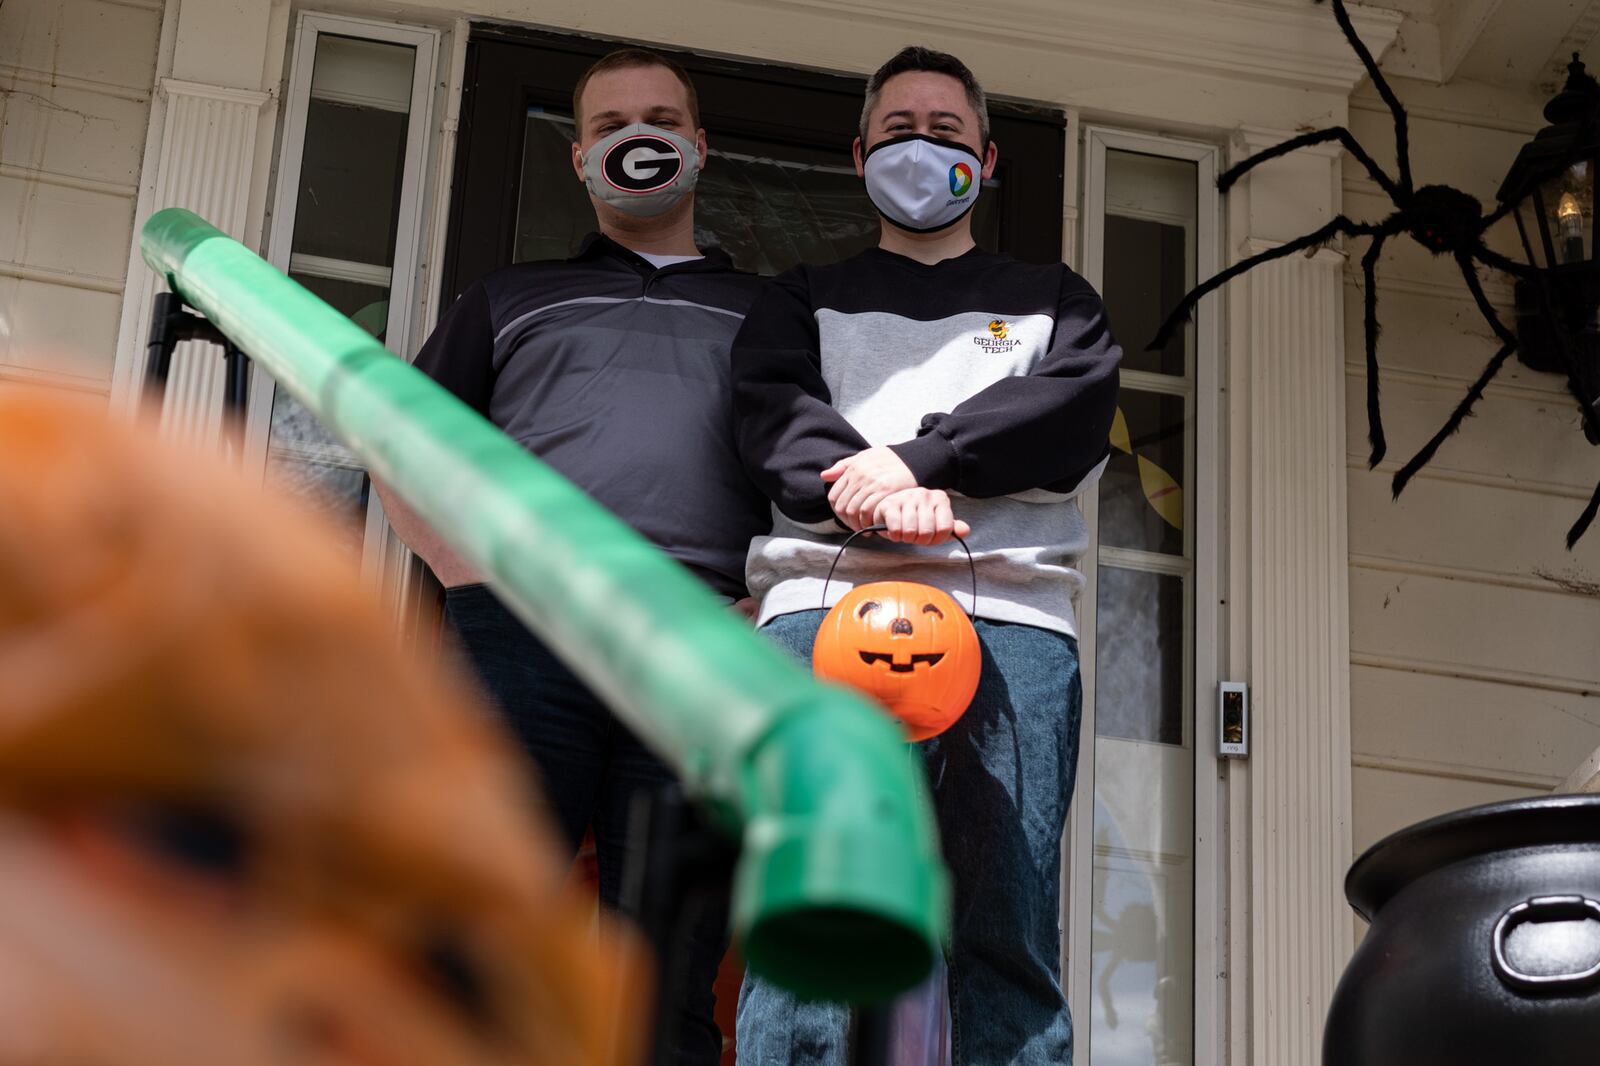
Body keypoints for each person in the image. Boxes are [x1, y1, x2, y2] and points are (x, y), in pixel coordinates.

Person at [377, 47, 769, 1066]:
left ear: (699, 145)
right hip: (523, 629)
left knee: (666, 975)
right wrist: (469, 578)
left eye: (661, 118)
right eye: (610, 125)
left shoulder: (774, 317)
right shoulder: (508, 296)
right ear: (579, 157)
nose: (638, 138)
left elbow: (807, 472)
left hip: (696, 648)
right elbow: (396, 441)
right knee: (474, 944)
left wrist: (761, 605)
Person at [730, 45, 1121, 1066]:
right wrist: (872, 501)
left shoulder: (1054, 301)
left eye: (944, 133)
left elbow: (1064, 416)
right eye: (898, 130)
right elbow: (773, 423)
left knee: (1006, 928)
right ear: (859, 154)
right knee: (809, 922)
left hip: (1013, 628)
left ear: (986, 161)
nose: (919, 147)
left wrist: (914, 461)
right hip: (819, 611)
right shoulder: (798, 296)